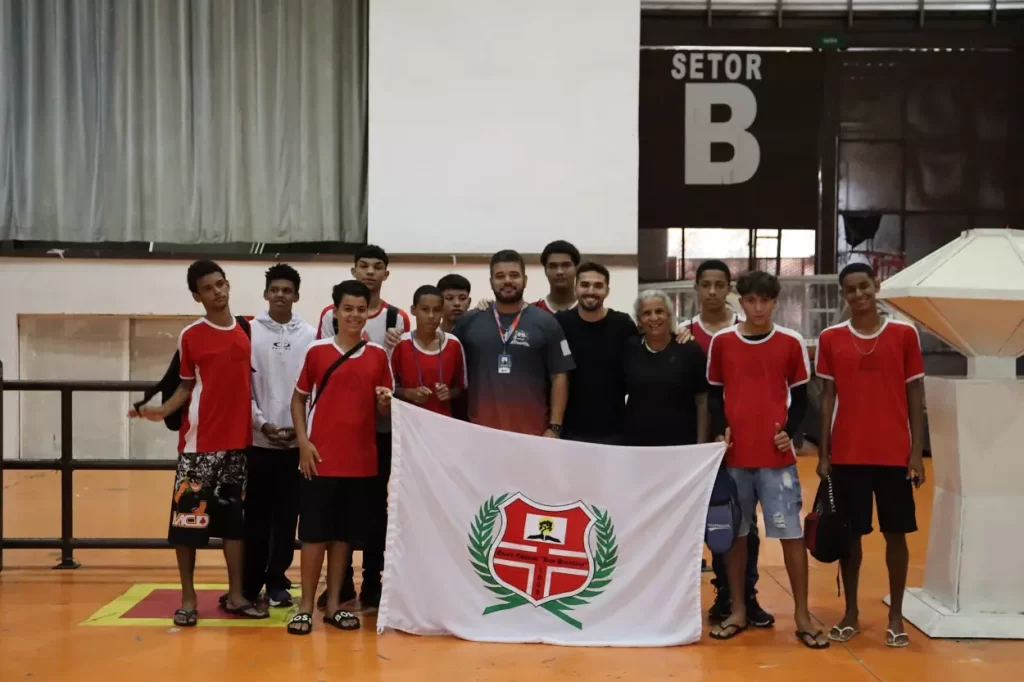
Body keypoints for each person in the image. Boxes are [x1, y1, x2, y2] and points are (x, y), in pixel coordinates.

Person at [129, 260, 267, 626]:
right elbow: (186, 386)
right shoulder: (191, 335)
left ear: (228, 284)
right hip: (198, 449)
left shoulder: (246, 329)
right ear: (197, 295)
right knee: (187, 525)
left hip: (237, 446)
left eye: (221, 284)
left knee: (234, 527)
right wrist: (158, 411)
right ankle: (188, 599)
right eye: (209, 288)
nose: (218, 291)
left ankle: (236, 596)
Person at [706, 270, 828, 649]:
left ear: (775, 302)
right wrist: (719, 428)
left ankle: (804, 617)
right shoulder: (722, 343)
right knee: (738, 536)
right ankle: (738, 610)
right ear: (739, 302)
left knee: (790, 535)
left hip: (777, 461)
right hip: (735, 457)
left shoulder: (790, 342)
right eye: (750, 300)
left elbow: (800, 395)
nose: (757, 307)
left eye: (765, 300)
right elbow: (713, 394)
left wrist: (788, 432)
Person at [816, 263, 926, 648]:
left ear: (876, 286)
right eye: (851, 290)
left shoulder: (903, 334)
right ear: (843, 295)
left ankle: (896, 616)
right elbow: (827, 398)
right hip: (847, 454)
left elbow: (916, 395)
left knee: (896, 535)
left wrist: (916, 452)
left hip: (894, 454)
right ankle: (850, 613)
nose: (859, 295)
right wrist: (824, 453)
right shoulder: (830, 338)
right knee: (850, 538)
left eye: (864, 286)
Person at [287, 280, 394, 635]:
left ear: (368, 313)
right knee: (315, 535)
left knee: (345, 537)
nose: (354, 315)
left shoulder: (378, 356)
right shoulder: (317, 351)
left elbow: (385, 408)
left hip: (361, 460)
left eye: (361, 309)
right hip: (320, 457)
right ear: (335, 311)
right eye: (347, 308)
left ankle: (334, 605)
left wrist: (383, 402)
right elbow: (298, 399)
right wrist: (304, 442)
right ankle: (305, 606)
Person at [315, 245, 409, 609]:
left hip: (379, 429)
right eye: (364, 266)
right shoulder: (328, 314)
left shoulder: (398, 319)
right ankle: (340, 584)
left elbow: (399, 373)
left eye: (378, 267)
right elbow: (323, 362)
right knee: (336, 507)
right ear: (354, 270)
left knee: (376, 508)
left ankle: (374, 581)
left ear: (386, 274)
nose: (370, 272)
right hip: (339, 428)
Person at [685, 260, 774, 629]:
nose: (711, 292)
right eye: (705, 285)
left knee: (744, 521)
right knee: (712, 519)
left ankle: (745, 594)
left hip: (741, 444)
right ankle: (721, 590)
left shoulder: (746, 330)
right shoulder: (684, 335)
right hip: (702, 444)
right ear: (696, 289)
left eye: (719, 285)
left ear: (728, 289)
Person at [243, 263, 316, 608]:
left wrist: (299, 432)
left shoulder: (311, 335)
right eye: (275, 290)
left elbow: (314, 389)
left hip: (295, 445)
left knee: (288, 518)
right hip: (259, 442)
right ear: (266, 294)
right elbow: (243, 388)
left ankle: (277, 581)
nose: (281, 295)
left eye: (287, 290)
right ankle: (249, 582)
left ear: (296, 295)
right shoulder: (249, 332)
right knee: (256, 516)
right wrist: (263, 424)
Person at [454, 249, 575, 436]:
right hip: (479, 432)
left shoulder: (547, 322)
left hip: (533, 434)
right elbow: (444, 354)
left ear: (525, 280)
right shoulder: (469, 321)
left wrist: (554, 427)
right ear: (491, 281)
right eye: (500, 276)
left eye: (514, 275)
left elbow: (560, 376)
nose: (507, 281)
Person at [623, 290, 709, 446]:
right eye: (646, 313)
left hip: (681, 443)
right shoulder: (630, 348)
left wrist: (700, 444)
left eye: (659, 311)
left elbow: (702, 401)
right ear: (639, 320)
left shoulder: (689, 349)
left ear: (669, 315)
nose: (654, 317)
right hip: (637, 443)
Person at [392, 285, 468, 417]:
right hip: (409, 424)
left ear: (443, 312)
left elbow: (461, 387)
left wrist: (449, 393)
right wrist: (408, 393)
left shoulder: (453, 344)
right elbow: (389, 387)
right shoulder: (399, 343)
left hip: (443, 422)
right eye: (425, 310)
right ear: (413, 310)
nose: (431, 316)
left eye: (437, 310)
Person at [534, 240, 581, 313]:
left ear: (576, 269)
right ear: (545, 270)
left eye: (566, 265)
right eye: (553, 266)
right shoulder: (532, 311)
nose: (559, 272)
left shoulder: (589, 311)